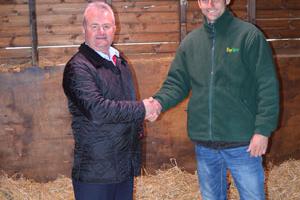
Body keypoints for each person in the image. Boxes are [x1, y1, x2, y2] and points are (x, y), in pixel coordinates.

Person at [148, 0, 280, 199]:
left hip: (243, 143)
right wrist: (158, 102)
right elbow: (176, 83)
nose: (210, 4)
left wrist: (262, 130)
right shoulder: (191, 43)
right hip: (205, 144)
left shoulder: (248, 36)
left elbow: (267, 85)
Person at [62, 2, 157, 200]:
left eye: (106, 26)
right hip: (96, 172)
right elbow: (97, 110)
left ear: (115, 29)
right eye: (94, 26)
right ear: (84, 29)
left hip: (123, 166)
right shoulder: (78, 67)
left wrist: (144, 116)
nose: (101, 32)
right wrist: (142, 109)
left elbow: (127, 102)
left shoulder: (119, 61)